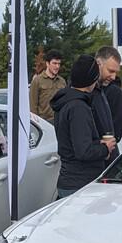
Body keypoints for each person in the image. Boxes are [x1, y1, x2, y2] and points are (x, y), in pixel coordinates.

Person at [50, 55, 116, 199]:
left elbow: (74, 141)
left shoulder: (65, 102)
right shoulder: (78, 107)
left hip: (70, 180)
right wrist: (105, 148)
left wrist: (97, 143)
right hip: (80, 184)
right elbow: (83, 151)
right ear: (92, 79)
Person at [95, 46, 122, 142]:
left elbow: (117, 131)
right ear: (98, 64)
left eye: (116, 72)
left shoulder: (115, 93)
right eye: (111, 71)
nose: (113, 77)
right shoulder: (83, 90)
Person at [29, 50, 65, 124]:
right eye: (54, 63)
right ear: (47, 63)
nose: (57, 66)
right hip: (44, 122)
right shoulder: (37, 81)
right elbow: (33, 105)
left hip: (60, 121)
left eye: (59, 64)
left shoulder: (62, 81)